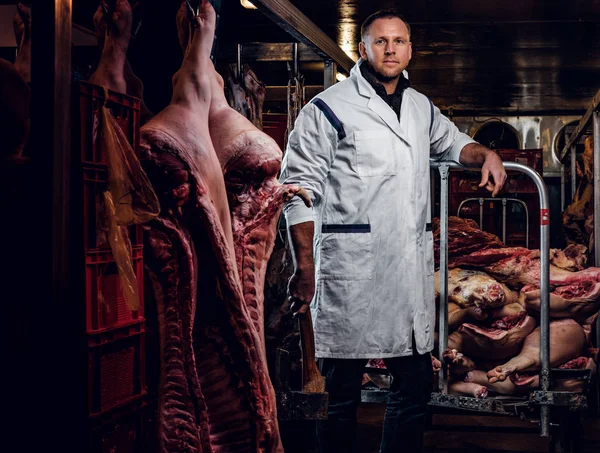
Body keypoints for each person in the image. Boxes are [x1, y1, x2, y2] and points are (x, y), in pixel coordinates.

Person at [279, 9, 507, 453]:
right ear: (362, 49)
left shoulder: (421, 107)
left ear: (410, 51)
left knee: (415, 386)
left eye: (398, 41)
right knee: (341, 394)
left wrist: (489, 155)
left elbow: (456, 143)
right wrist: (304, 266)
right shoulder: (328, 108)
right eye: (380, 41)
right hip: (351, 273)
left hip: (406, 274)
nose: (390, 49)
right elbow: (296, 189)